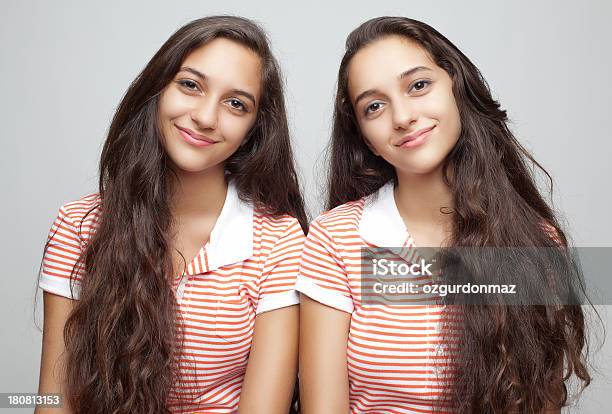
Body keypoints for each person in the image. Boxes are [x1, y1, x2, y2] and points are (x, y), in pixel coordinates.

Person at [297, 16, 592, 414]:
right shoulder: (335, 238)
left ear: (456, 86)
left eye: (418, 86)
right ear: (364, 136)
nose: (402, 117)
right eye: (374, 106)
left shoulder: (536, 243)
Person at [36, 15, 306, 414]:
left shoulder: (279, 241)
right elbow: (52, 400)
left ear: (254, 128)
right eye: (190, 85)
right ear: (157, 90)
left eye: (236, 103)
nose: (206, 117)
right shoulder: (79, 225)